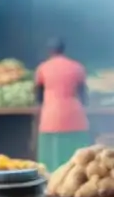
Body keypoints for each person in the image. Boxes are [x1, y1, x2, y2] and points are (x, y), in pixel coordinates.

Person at [34, 39, 90, 172]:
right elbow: (83, 94)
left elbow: (38, 94)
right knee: (75, 148)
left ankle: (51, 178)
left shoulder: (43, 68)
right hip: (74, 113)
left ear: (49, 51)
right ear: (64, 49)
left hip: (51, 114)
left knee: (52, 150)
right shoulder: (77, 66)